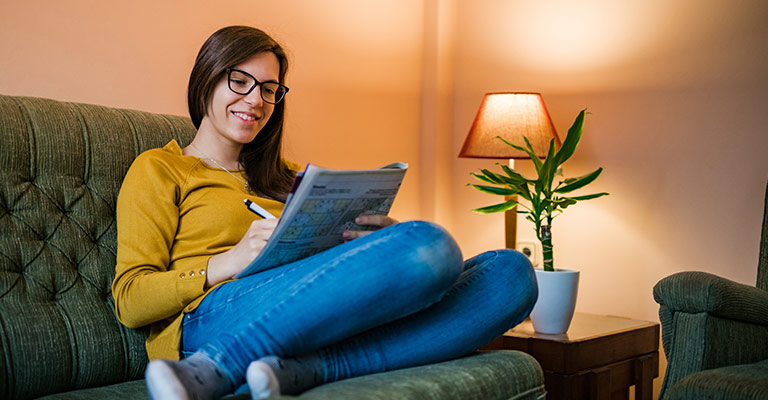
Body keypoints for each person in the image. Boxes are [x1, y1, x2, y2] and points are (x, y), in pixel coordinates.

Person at [112, 25, 538, 400]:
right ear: (207, 79)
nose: (255, 100)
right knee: (434, 245)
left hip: (313, 307)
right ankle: (213, 368)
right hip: (211, 318)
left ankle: (305, 370)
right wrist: (229, 262)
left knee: (512, 274)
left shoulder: (295, 177)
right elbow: (131, 300)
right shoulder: (161, 168)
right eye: (239, 81)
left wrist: (378, 243)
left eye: (268, 89)